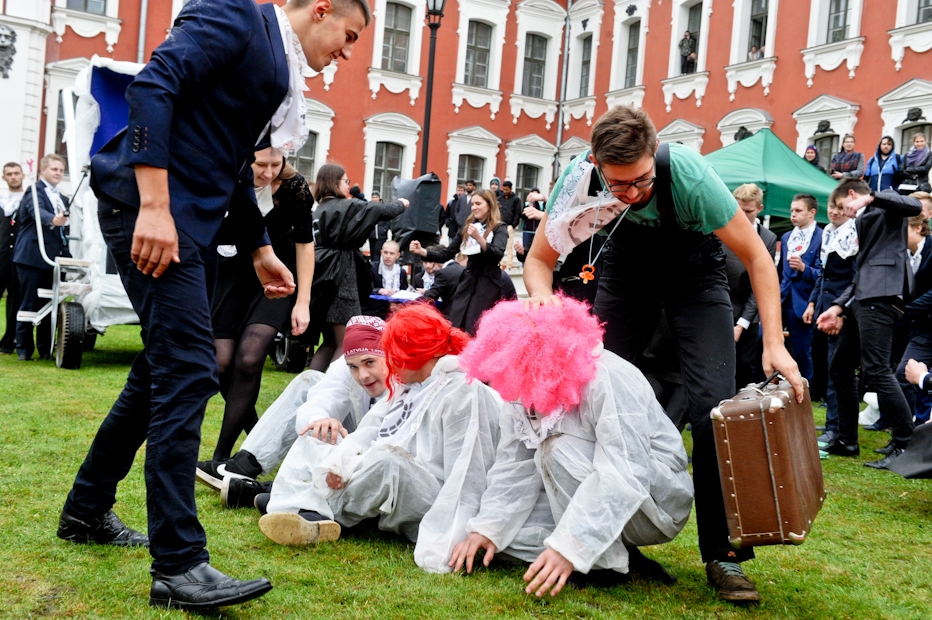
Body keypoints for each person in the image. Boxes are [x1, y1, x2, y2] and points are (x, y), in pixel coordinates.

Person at [57, 0, 371, 610]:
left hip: (185, 222)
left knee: (158, 372)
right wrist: (153, 204)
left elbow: (225, 162)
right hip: (147, 209)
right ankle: (178, 564)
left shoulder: (276, 62)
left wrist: (258, 250)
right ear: (323, 9)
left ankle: (86, 510)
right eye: (350, 35)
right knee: (190, 371)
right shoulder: (237, 18)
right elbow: (152, 87)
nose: (348, 52)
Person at [522, 105, 801, 604]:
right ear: (595, 164)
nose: (632, 194)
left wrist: (775, 344)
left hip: (696, 278)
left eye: (642, 181)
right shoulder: (580, 178)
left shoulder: (691, 175)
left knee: (712, 410)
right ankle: (607, 538)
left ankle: (723, 554)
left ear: (655, 154)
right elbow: (539, 261)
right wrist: (542, 297)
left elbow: (757, 257)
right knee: (586, 396)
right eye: (619, 186)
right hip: (627, 275)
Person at [451, 297, 693, 597]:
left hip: (654, 500)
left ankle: (599, 564)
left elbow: (625, 473)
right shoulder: (523, 384)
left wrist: (571, 546)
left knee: (557, 448)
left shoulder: (608, 377)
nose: (509, 373)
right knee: (505, 540)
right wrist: (487, 528)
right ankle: (618, 556)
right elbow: (513, 465)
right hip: (582, 483)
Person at [257, 304, 502, 576]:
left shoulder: (462, 390)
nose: (391, 363)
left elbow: (468, 474)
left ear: (414, 352)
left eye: (392, 354)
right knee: (319, 435)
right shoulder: (407, 385)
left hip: (431, 495)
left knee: (389, 459)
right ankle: (300, 506)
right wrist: (341, 465)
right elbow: (369, 432)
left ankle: (312, 509)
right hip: (396, 484)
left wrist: (457, 534)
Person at [205, 148, 315, 467]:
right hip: (230, 279)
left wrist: (303, 301)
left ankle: (221, 457)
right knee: (222, 362)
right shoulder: (229, 181)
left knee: (250, 359)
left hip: (276, 282)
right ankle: (256, 437)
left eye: (275, 165)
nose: (268, 173)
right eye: (261, 165)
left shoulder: (295, 189)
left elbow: (306, 246)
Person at [214, 315, 391, 509]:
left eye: (370, 362)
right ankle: (245, 465)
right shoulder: (348, 363)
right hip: (354, 437)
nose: (363, 375)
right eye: (354, 366)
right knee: (310, 383)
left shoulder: (407, 376)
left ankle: (281, 493)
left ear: (389, 355)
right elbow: (322, 398)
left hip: (384, 454)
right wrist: (319, 419)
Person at [817, 179, 924, 468]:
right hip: (863, 298)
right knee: (840, 368)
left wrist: (870, 198)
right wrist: (838, 307)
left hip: (882, 296)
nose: (843, 212)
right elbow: (861, 271)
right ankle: (847, 440)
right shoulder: (865, 221)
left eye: (843, 205)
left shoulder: (883, 206)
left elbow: (913, 204)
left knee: (876, 369)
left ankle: (905, 444)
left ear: (852, 194)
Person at [309, 163, 407, 371]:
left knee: (329, 342)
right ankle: (329, 391)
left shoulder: (318, 209)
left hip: (321, 277)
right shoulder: (345, 205)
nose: (348, 185)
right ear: (335, 182)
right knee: (344, 343)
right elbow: (383, 210)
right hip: (340, 277)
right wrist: (402, 203)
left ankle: (310, 389)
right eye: (346, 181)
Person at [409, 189, 508, 334]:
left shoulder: (500, 228)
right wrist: (423, 251)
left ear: (489, 205)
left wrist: (479, 239)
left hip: (487, 285)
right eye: (472, 204)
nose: (474, 207)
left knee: (475, 328)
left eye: (478, 203)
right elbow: (446, 254)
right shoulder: (468, 227)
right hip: (467, 282)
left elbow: (498, 254)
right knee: (456, 323)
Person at [804, 189, 858, 445]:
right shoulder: (828, 233)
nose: (834, 211)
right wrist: (813, 302)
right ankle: (831, 423)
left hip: (842, 311)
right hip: (825, 307)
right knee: (827, 368)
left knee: (839, 371)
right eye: (831, 206)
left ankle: (838, 428)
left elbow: (855, 280)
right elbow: (823, 275)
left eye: (840, 207)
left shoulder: (855, 235)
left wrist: (842, 312)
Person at [13, 154, 69, 361]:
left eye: (61, 170)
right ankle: (24, 350)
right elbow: (38, 213)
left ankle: (45, 349)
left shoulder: (62, 197)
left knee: (50, 304)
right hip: (32, 256)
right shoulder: (33, 192)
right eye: (54, 169)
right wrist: (52, 219)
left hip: (55, 259)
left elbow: (64, 231)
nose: (58, 173)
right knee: (29, 303)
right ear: (43, 171)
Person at [726, 184, 777, 389]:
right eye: (738, 209)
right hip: (721, 307)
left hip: (749, 314)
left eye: (748, 211)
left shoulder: (768, 239)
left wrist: (742, 324)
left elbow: (761, 285)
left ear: (759, 208)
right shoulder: (722, 230)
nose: (743, 215)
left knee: (744, 367)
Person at [894, 192, 932, 425]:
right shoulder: (905, 255)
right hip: (922, 330)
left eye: (903, 231)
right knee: (902, 375)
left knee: (924, 383)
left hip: (922, 321)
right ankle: (907, 435)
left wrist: (906, 309)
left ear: (918, 228)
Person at [780, 194, 823, 382]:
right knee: (766, 340)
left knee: (801, 349)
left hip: (805, 301)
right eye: (792, 211)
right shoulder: (787, 236)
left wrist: (804, 269)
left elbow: (824, 275)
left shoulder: (821, 236)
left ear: (812, 213)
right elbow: (780, 270)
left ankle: (805, 388)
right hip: (782, 297)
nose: (793, 215)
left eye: (798, 211)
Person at [0, 162, 24, 354]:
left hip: (18, 258)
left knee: (14, 302)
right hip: (0, 256)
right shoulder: (1, 199)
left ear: (23, 175)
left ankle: (9, 342)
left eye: (17, 173)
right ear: (4, 177)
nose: (13, 177)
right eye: (9, 174)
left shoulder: (29, 198)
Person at [362, 239, 408, 318]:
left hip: (394, 311)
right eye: (385, 252)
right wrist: (379, 290)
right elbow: (363, 289)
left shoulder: (401, 272)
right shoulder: (372, 268)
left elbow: (404, 292)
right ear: (381, 253)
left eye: (392, 253)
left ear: (397, 255)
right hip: (374, 311)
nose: (388, 256)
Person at [498, 180, 522, 270]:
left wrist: (513, 225)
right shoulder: (500, 198)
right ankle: (499, 263)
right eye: (503, 189)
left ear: (511, 189)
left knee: (509, 245)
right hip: (500, 224)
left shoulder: (516, 199)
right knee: (499, 244)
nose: (504, 191)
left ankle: (509, 264)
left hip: (509, 225)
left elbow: (517, 213)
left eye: (506, 189)